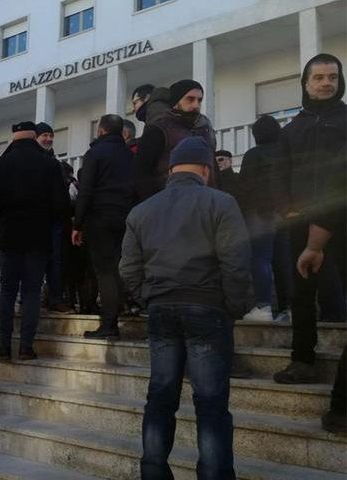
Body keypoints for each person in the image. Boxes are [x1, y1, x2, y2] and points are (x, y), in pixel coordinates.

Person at [120, 136, 251, 480]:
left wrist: (148, 297)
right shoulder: (221, 203)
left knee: (160, 398)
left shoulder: (141, 211)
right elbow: (235, 262)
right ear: (206, 170)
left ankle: (152, 472)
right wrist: (234, 306)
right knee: (211, 406)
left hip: (162, 309)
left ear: (171, 170)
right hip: (207, 308)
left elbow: (128, 269)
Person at [273, 53, 346, 384]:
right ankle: (302, 359)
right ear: (305, 83)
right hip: (300, 223)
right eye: (318, 78)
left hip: (342, 220)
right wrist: (286, 208)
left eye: (332, 77)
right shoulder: (292, 129)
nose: (326, 83)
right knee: (300, 294)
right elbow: (281, 175)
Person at [0, 121, 67, 361]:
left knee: (7, 293)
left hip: (9, 236)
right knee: (31, 293)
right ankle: (26, 346)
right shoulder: (50, 165)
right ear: (34, 138)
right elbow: (61, 204)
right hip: (39, 237)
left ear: (14, 139)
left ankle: (4, 346)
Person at [72, 114, 134, 339]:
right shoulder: (128, 155)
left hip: (99, 218)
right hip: (124, 217)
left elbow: (85, 190)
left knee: (104, 271)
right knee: (116, 268)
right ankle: (116, 315)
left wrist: (77, 224)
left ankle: (109, 324)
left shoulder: (95, 153)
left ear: (101, 130)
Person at [232, 117, 284, 322]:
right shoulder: (285, 153)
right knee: (285, 261)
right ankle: (289, 308)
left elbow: (244, 186)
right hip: (285, 212)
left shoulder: (253, 155)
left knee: (261, 259)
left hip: (259, 214)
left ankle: (263, 307)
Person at [134, 79, 217, 201]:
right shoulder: (159, 129)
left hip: (205, 205)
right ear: (175, 101)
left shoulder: (204, 130)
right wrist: (158, 206)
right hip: (171, 206)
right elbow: (141, 173)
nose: (196, 105)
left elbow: (213, 171)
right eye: (190, 99)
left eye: (199, 100)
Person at [35, 121, 73, 313]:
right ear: (36, 137)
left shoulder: (56, 163)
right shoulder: (31, 160)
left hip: (55, 220)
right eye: (45, 136)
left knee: (55, 260)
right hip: (35, 220)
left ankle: (55, 297)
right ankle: (33, 298)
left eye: (51, 136)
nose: (49, 139)